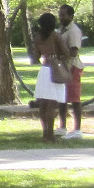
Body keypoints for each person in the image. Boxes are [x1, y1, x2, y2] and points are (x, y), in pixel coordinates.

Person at [31, 12, 72, 142]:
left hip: (43, 71)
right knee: (51, 104)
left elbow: (35, 57)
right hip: (55, 70)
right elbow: (66, 53)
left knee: (43, 104)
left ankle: (45, 133)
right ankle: (50, 135)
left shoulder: (38, 37)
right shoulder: (56, 36)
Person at [58, 3, 86, 138]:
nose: (61, 18)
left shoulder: (74, 31)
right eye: (60, 15)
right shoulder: (61, 30)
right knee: (62, 98)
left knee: (74, 98)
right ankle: (62, 126)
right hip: (63, 68)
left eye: (63, 15)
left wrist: (59, 55)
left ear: (71, 15)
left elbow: (73, 51)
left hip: (72, 67)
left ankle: (77, 130)